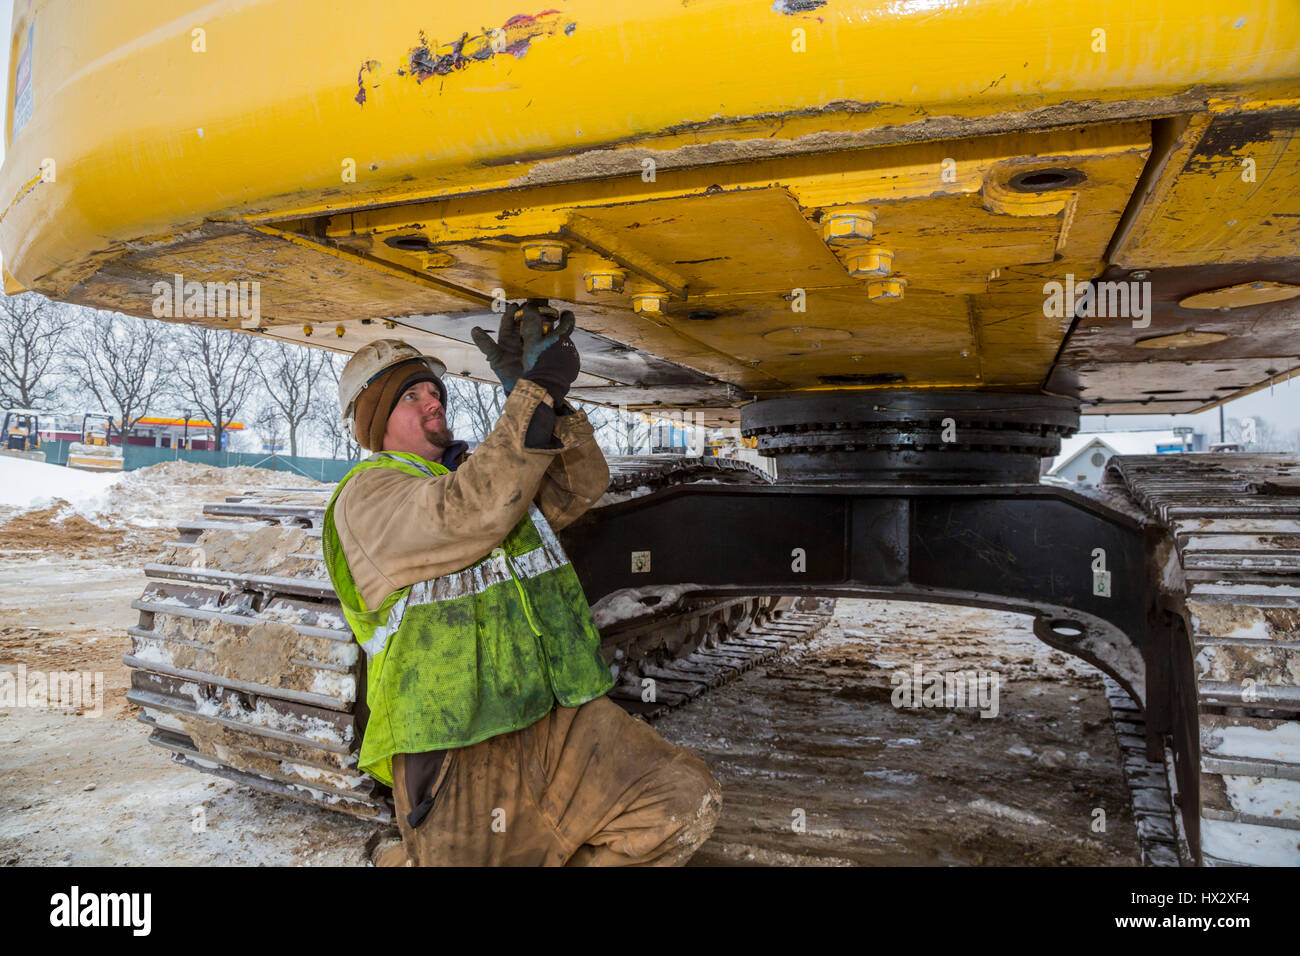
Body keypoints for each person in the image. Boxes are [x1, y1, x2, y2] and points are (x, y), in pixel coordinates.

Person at [322, 301, 722, 866]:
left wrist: (547, 403)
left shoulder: (476, 475)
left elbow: (582, 484)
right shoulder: (369, 495)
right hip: (459, 740)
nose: (432, 399)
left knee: (681, 802)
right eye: (409, 396)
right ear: (372, 420)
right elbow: (468, 511)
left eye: (433, 390)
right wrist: (531, 392)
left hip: (555, 718)